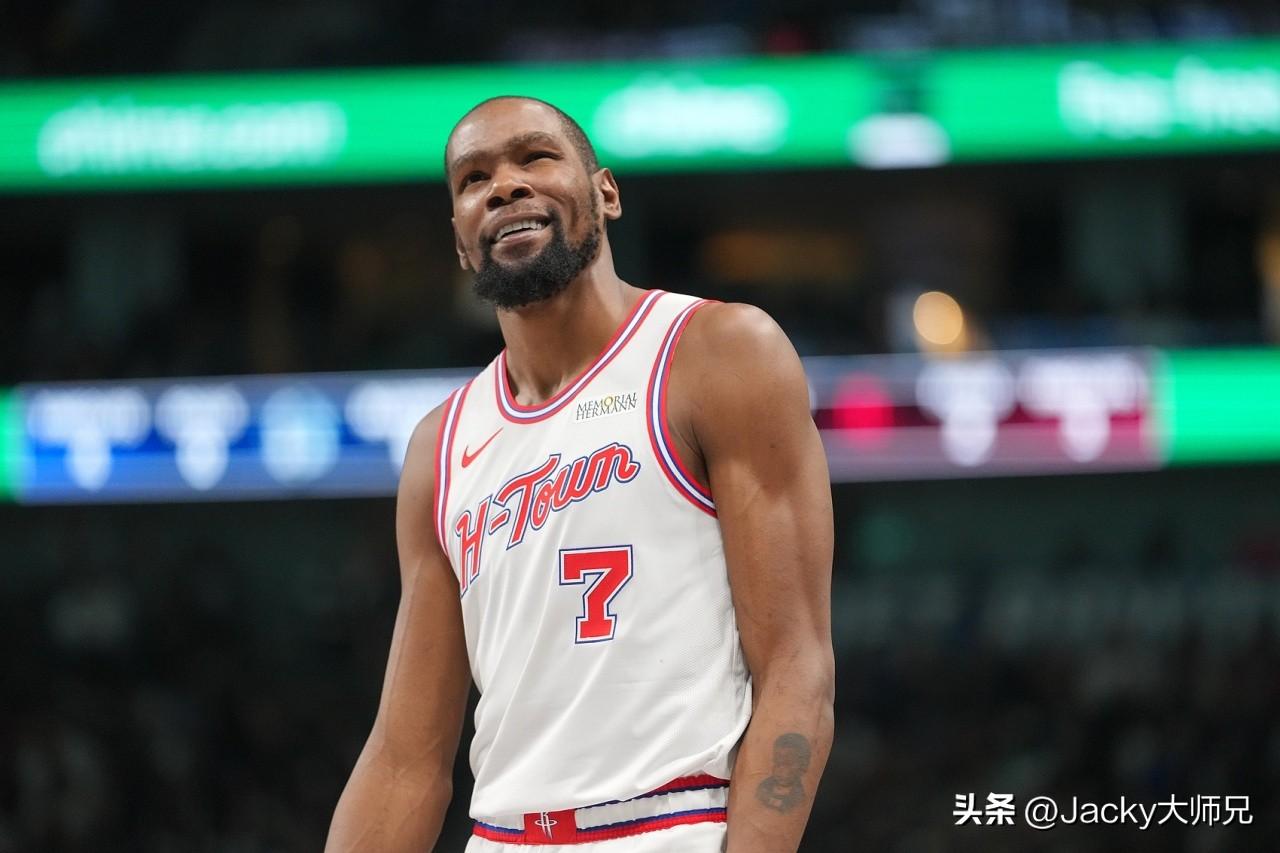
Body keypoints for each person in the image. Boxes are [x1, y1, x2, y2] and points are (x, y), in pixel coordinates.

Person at [325, 95, 834, 853]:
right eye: (473, 179)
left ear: (606, 192)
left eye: (535, 157)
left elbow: (797, 668)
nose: (504, 185)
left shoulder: (717, 352)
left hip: (671, 824)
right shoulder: (441, 444)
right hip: (501, 836)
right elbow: (405, 759)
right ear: (461, 241)